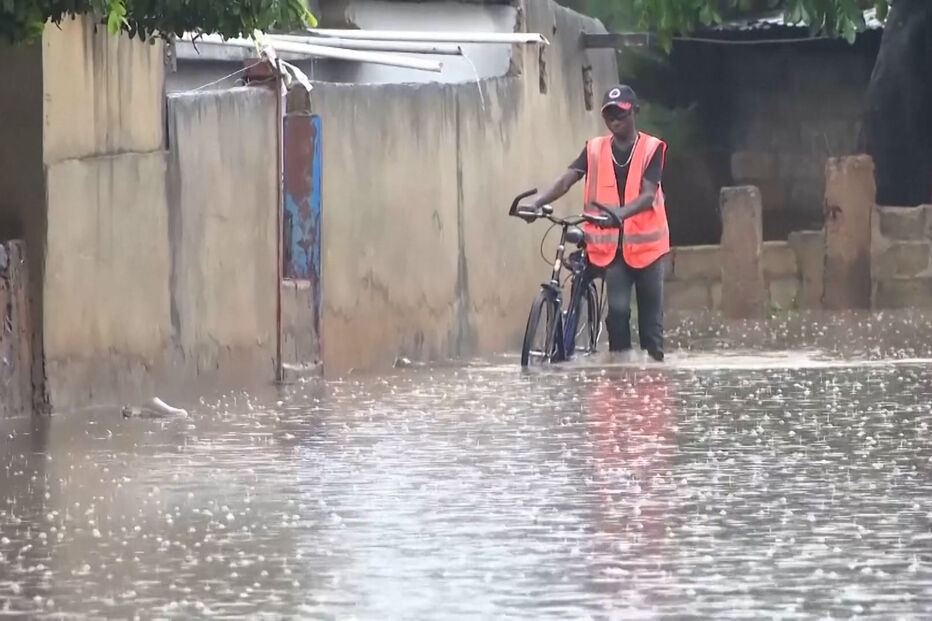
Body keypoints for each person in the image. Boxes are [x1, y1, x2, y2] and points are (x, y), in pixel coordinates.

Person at [530, 85, 670, 361]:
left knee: (651, 329)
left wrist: (619, 213)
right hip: (612, 252)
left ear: (634, 112)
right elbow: (566, 179)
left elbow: (648, 195)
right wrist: (537, 203)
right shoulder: (594, 149)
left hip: (648, 250)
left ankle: (652, 384)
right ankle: (621, 376)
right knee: (617, 312)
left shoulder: (651, 148)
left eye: (621, 112)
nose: (615, 118)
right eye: (609, 114)